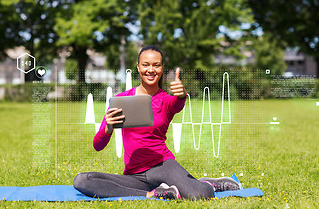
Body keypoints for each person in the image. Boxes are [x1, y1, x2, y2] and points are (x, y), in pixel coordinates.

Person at [73, 45, 239, 200]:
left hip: (163, 166)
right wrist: (108, 129)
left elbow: (177, 104)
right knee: (82, 181)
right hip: (134, 175)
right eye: (145, 65)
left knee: (200, 194)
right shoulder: (121, 100)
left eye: (156, 65)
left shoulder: (166, 100)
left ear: (161, 68)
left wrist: (181, 94)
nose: (150, 70)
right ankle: (153, 194)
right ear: (138, 67)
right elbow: (97, 145)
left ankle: (207, 183)